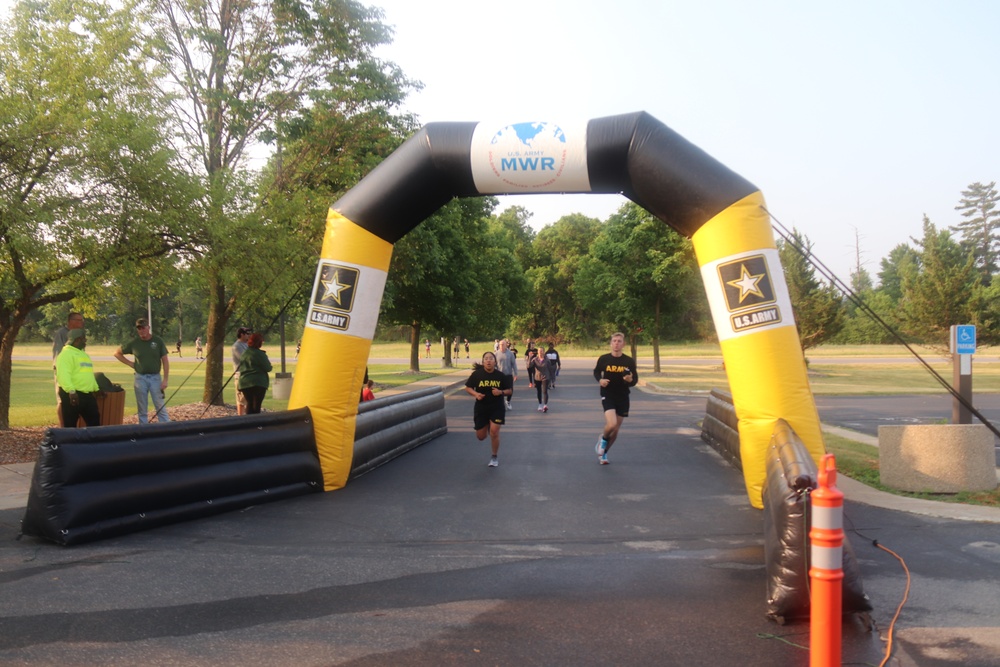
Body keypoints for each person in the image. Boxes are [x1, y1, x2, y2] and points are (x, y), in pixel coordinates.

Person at [593, 332, 638, 465]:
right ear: (611, 343)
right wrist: (600, 380)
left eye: (619, 341)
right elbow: (596, 371)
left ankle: (604, 453)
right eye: (614, 341)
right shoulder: (604, 359)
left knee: (616, 429)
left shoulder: (628, 361)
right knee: (611, 424)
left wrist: (629, 380)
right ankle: (603, 439)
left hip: (623, 396)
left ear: (623, 344)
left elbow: (634, 380)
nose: (616, 343)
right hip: (608, 394)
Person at [114, 318, 170, 423]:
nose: (142, 330)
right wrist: (131, 364)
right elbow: (117, 353)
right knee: (142, 407)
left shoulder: (158, 341)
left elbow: (165, 361)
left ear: (148, 328)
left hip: (155, 378)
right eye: (139, 328)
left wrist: (165, 379)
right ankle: (143, 429)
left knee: (159, 405)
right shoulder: (134, 343)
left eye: (143, 328)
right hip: (140, 378)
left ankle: (166, 428)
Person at [463, 351, 512, 468]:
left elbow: (509, 391)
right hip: (481, 408)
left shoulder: (500, 376)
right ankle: (488, 425)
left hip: (497, 407)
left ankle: (494, 457)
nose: (488, 360)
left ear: (495, 362)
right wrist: (476, 394)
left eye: (491, 358)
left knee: (494, 433)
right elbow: (468, 388)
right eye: (486, 359)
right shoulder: (477, 375)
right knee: (481, 436)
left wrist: (500, 392)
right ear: (483, 362)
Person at [56, 328, 101, 428]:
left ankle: (91, 443)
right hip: (72, 394)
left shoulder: (83, 354)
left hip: (87, 394)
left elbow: (88, 374)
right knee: (70, 425)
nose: (85, 341)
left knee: (94, 423)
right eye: (83, 339)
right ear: (77, 340)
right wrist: (71, 391)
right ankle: (70, 443)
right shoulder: (66, 355)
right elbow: (64, 375)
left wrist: (96, 388)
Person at [52, 312, 85, 416]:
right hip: (64, 370)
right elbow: (58, 354)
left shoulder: (80, 334)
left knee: (76, 399)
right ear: (71, 321)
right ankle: (63, 429)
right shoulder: (62, 333)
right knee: (62, 400)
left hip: (77, 372)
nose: (81, 322)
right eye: (78, 320)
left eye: (82, 320)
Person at [237, 332, 272, 414]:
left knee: (250, 403)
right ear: (259, 343)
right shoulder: (260, 354)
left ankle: (248, 422)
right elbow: (268, 368)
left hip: (244, 383)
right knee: (256, 406)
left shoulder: (245, 353)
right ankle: (256, 423)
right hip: (258, 383)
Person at [231, 327, 251, 415]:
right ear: (242, 334)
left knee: (248, 399)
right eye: (247, 333)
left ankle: (248, 418)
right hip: (240, 375)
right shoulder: (236, 346)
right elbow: (244, 359)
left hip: (249, 375)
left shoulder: (247, 344)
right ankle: (240, 417)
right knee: (241, 400)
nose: (249, 335)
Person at [496, 338, 518, 410]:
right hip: (499, 375)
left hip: (508, 374)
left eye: (503, 344)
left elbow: (514, 364)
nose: (501, 346)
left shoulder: (510, 354)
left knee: (510, 390)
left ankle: (508, 401)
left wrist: (515, 374)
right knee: (500, 390)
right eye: (500, 345)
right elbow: (494, 365)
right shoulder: (496, 354)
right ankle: (501, 404)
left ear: (506, 345)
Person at [527, 347, 551, 412]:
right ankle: (540, 404)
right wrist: (530, 357)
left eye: (541, 351)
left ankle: (545, 405)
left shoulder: (547, 360)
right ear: (537, 352)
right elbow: (529, 366)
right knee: (539, 391)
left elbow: (550, 369)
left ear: (544, 352)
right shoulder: (535, 359)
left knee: (544, 391)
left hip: (545, 376)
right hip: (537, 377)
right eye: (539, 351)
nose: (540, 352)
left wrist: (551, 379)